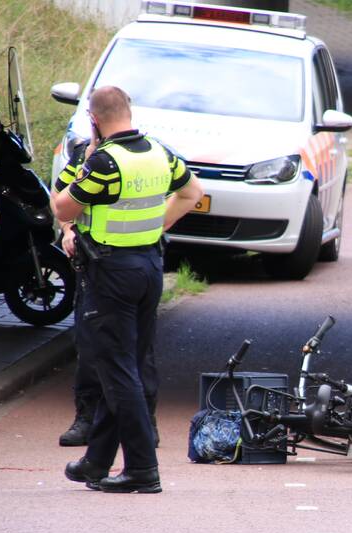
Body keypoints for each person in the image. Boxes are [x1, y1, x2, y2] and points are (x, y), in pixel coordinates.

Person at [52, 85, 203, 493]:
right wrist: (158, 226)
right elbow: (193, 193)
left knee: (117, 371)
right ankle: (97, 463)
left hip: (111, 271)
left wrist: (79, 166)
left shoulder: (104, 162)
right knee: (127, 366)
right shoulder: (159, 152)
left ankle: (142, 468)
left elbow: (63, 207)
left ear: (94, 119)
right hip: (149, 265)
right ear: (129, 112)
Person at [52, 150, 158, 449]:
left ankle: (145, 422)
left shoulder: (148, 153)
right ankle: (87, 419)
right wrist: (68, 230)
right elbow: (60, 194)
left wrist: (157, 229)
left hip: (133, 261)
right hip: (97, 261)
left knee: (137, 346)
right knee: (90, 342)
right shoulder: (89, 157)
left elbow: (190, 192)